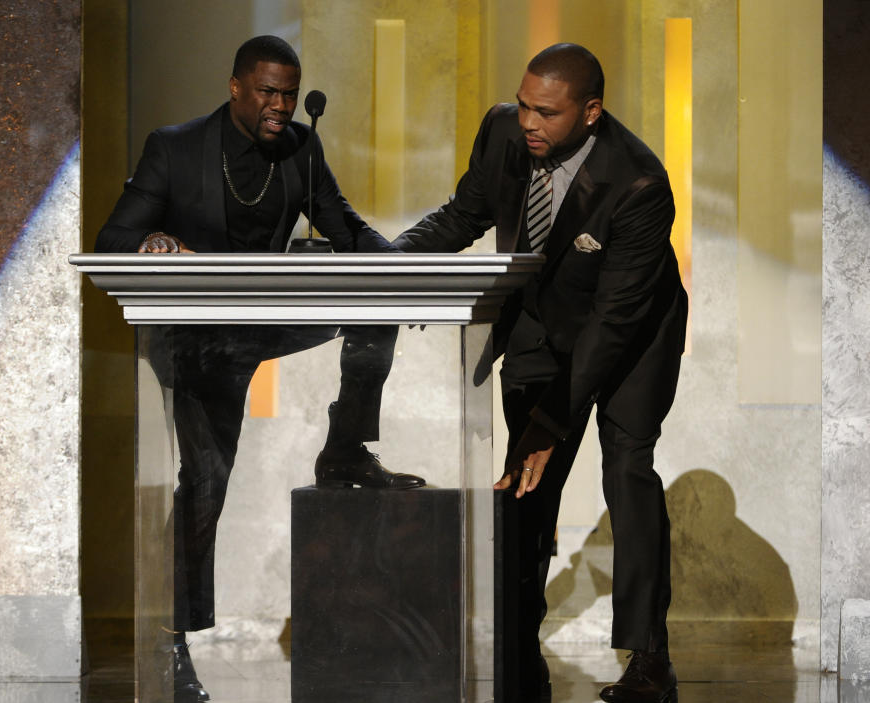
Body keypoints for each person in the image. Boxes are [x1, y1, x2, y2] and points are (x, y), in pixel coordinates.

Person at [96, 35, 424, 702]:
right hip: (194, 340)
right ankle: (172, 644)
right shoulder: (176, 147)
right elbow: (113, 239)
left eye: (289, 94)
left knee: (373, 301)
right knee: (207, 481)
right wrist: (154, 241)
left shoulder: (303, 147)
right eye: (268, 93)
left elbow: (347, 229)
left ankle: (344, 448)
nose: (280, 106)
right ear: (237, 87)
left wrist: (407, 270)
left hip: (262, 324)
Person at [394, 43, 687, 703]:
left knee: (628, 471)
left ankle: (650, 659)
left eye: (546, 113)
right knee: (526, 477)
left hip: (632, 335)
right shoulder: (505, 130)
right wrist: (387, 266)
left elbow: (611, 323)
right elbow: (462, 216)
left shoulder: (638, 182)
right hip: (538, 321)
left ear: (590, 112)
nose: (528, 121)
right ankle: (517, 637)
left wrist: (556, 417)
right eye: (524, 103)